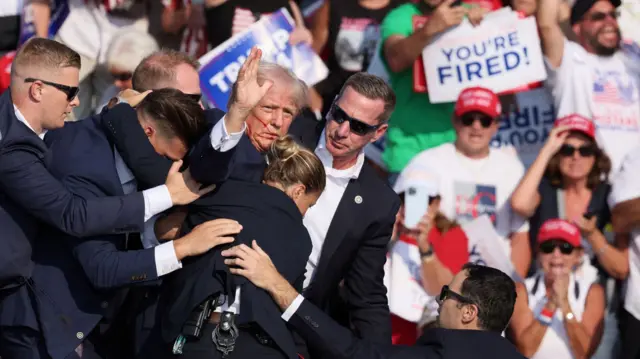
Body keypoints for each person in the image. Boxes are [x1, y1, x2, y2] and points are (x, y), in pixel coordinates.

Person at [109, 50, 401, 352]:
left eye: (359, 127)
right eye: (339, 115)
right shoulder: (275, 135)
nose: (342, 130)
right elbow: (207, 160)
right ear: (332, 104)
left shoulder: (379, 203)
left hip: (283, 330)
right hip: (198, 311)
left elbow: (366, 294)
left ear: (378, 133)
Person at [0, 38, 207, 359]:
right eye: (69, 91)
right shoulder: (13, 150)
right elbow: (74, 216)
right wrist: (170, 201)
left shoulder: (44, 131)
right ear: (37, 89)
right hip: (36, 323)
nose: (75, 100)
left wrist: (117, 112)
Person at [153, 135, 326, 359]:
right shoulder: (301, 239)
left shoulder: (223, 193)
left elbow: (166, 228)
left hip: (199, 336)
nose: (304, 212)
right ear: (298, 191)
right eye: (309, 205)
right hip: (263, 347)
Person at [222, 244, 526, 359]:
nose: (439, 299)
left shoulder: (445, 353)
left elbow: (353, 353)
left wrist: (278, 286)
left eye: (448, 295)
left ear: (469, 313)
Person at [394, 87, 531, 278]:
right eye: (468, 119)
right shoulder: (426, 162)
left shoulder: (512, 167)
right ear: (455, 121)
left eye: (485, 120)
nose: (476, 126)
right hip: (436, 277)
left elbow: (519, 237)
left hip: (493, 281)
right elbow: (403, 224)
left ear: (496, 125)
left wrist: (512, 289)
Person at [537, 0, 640, 174]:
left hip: (633, 184)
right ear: (577, 27)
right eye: (598, 17)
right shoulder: (570, 60)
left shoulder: (632, 58)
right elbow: (547, 24)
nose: (609, 22)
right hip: (589, 179)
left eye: (613, 15)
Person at [509, 219, 605, 359]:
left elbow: (584, 352)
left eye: (566, 248)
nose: (556, 254)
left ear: (578, 255)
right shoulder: (521, 290)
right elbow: (526, 350)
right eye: (548, 247)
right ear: (538, 252)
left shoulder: (592, 292)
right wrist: (550, 305)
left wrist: (565, 306)